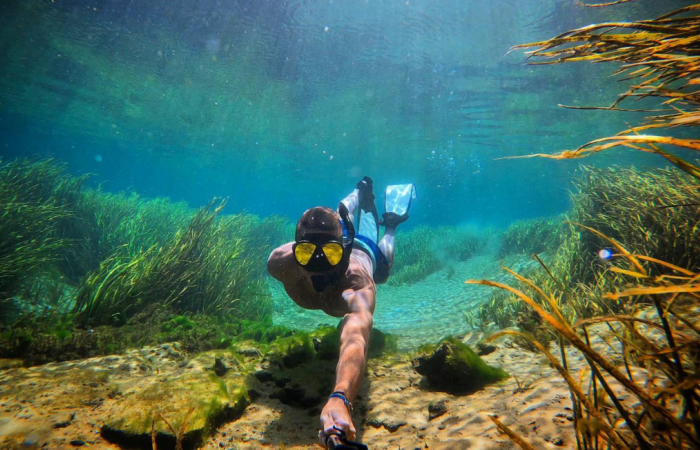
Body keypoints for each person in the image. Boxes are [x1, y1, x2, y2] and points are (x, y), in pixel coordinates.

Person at [266, 177, 412, 448]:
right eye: (308, 251)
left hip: (367, 253)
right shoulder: (280, 263)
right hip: (340, 234)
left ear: (343, 251)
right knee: (339, 215)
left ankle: (390, 225)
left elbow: (356, 335)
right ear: (296, 249)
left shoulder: (356, 284)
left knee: (384, 272)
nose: (318, 263)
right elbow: (317, 242)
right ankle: (357, 195)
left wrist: (341, 396)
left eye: (331, 253)